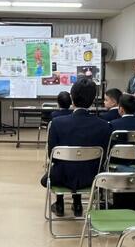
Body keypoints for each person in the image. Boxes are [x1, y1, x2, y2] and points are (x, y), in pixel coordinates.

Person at [41, 78, 112, 218]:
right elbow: (104, 156)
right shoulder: (104, 125)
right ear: (93, 100)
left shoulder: (57, 123)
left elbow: (52, 156)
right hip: (92, 177)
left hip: (63, 177)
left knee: (55, 171)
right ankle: (78, 204)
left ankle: (59, 204)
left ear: (72, 98)